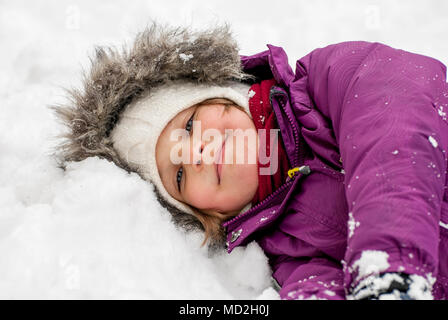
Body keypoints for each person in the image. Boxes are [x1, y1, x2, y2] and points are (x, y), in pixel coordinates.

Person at [52, 24, 448, 300]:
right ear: (199, 212)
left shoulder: (331, 78)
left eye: (189, 125)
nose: (197, 153)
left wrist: (388, 271)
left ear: (222, 92)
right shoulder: (287, 250)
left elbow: (395, 139)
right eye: (177, 173)